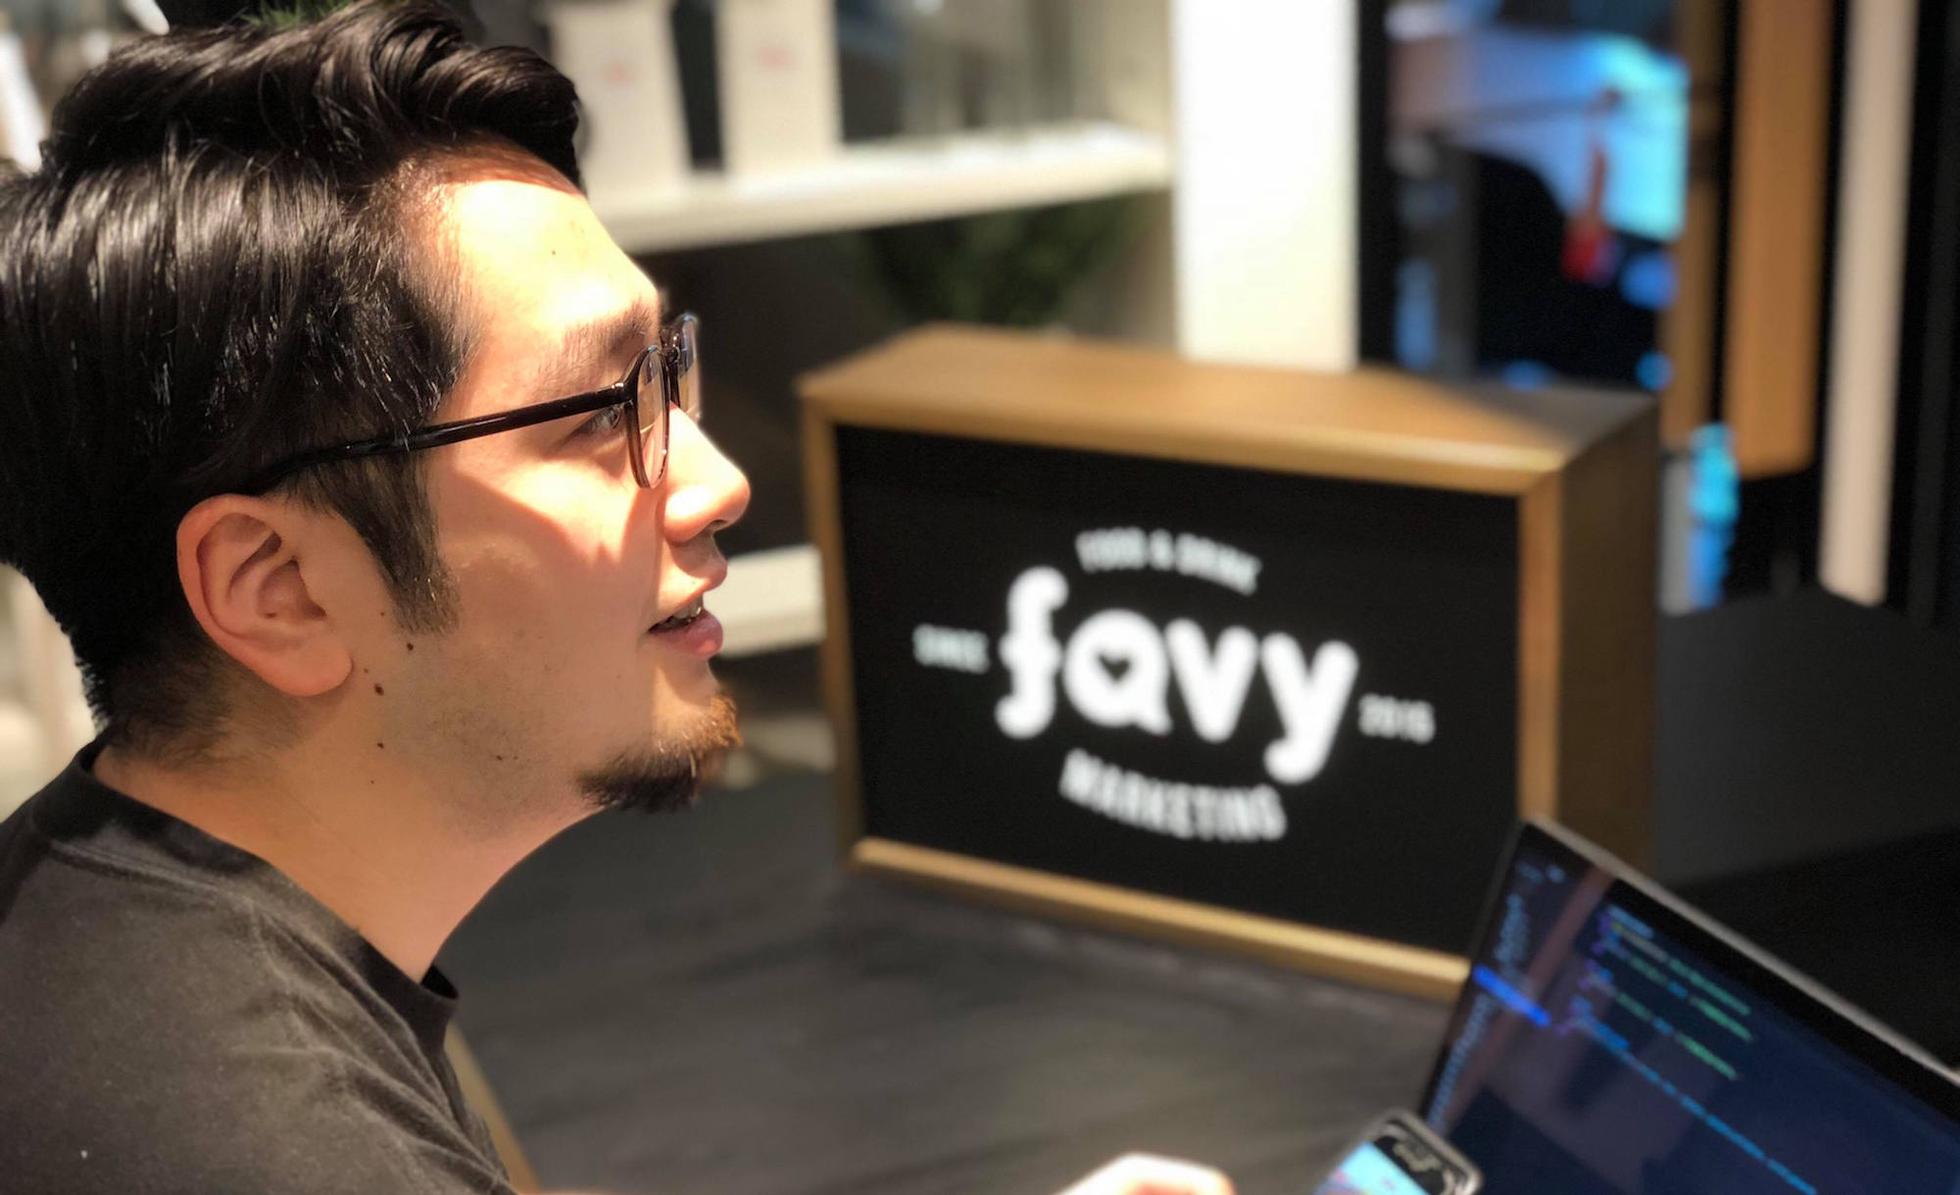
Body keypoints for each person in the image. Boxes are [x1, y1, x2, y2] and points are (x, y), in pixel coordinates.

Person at [0, 4, 1234, 1193]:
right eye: (600, 415)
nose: (718, 481)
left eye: (663, 373)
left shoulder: (92, 919)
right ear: (277, 589)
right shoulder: (285, 1151)